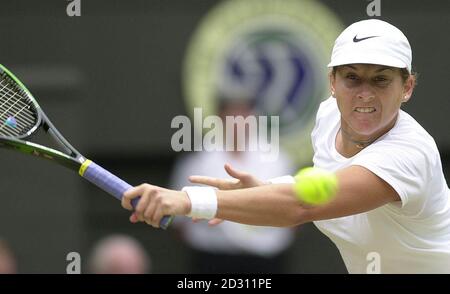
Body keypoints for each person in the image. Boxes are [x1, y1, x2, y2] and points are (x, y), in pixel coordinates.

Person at [121, 19, 450, 273]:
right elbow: (309, 195)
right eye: (352, 77)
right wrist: (266, 188)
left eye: (381, 79)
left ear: (407, 87)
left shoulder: (409, 155)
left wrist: (187, 199)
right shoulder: (326, 119)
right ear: (332, 82)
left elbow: (299, 208)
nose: (364, 93)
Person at [170, 97, 296, 273]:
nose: (239, 121)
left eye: (244, 114)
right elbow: (179, 224)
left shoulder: (279, 160)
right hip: (212, 260)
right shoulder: (195, 162)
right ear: (220, 118)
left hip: (266, 262)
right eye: (232, 115)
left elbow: (292, 213)